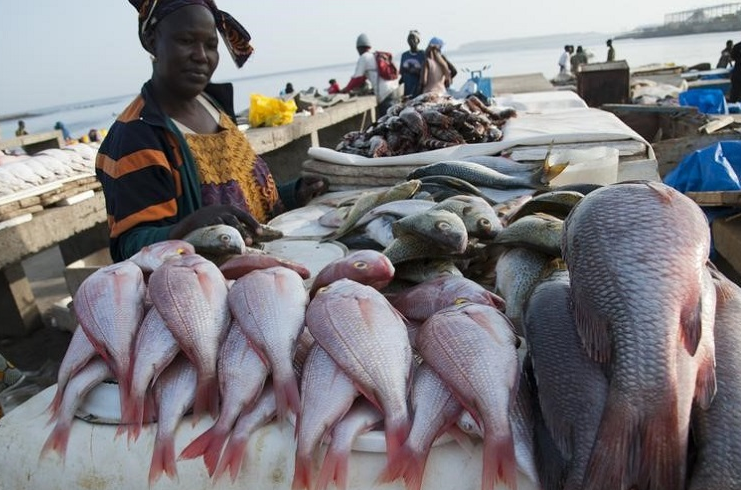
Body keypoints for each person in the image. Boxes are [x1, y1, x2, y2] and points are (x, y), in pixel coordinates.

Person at [96, 0, 328, 262]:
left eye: (210, 45)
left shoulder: (214, 105)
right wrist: (188, 227)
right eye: (186, 41)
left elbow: (241, 197)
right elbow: (131, 246)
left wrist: (292, 194)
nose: (201, 55)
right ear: (151, 41)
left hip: (270, 267)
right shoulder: (138, 135)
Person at [341, 33, 400, 116]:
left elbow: (357, 79)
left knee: (387, 123)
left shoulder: (364, 58)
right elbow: (363, 78)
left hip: (385, 95)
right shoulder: (374, 56)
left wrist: (345, 90)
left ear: (358, 48)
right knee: (395, 119)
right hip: (395, 90)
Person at [399, 30, 425, 99]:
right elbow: (401, 73)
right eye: (409, 38)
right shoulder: (404, 55)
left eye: (413, 38)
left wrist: (416, 71)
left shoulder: (422, 54)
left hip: (419, 92)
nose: (411, 40)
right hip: (407, 91)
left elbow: (426, 73)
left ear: (418, 40)